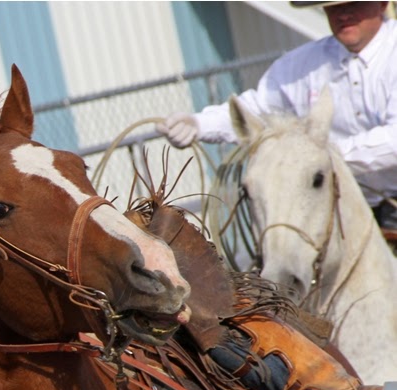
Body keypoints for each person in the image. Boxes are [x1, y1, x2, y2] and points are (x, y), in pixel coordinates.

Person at [157, 1, 397, 230]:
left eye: (353, 4)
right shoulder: (303, 64)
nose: (343, 14)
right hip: (335, 207)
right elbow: (257, 109)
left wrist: (324, 156)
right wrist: (199, 124)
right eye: (333, 7)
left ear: (382, 4)